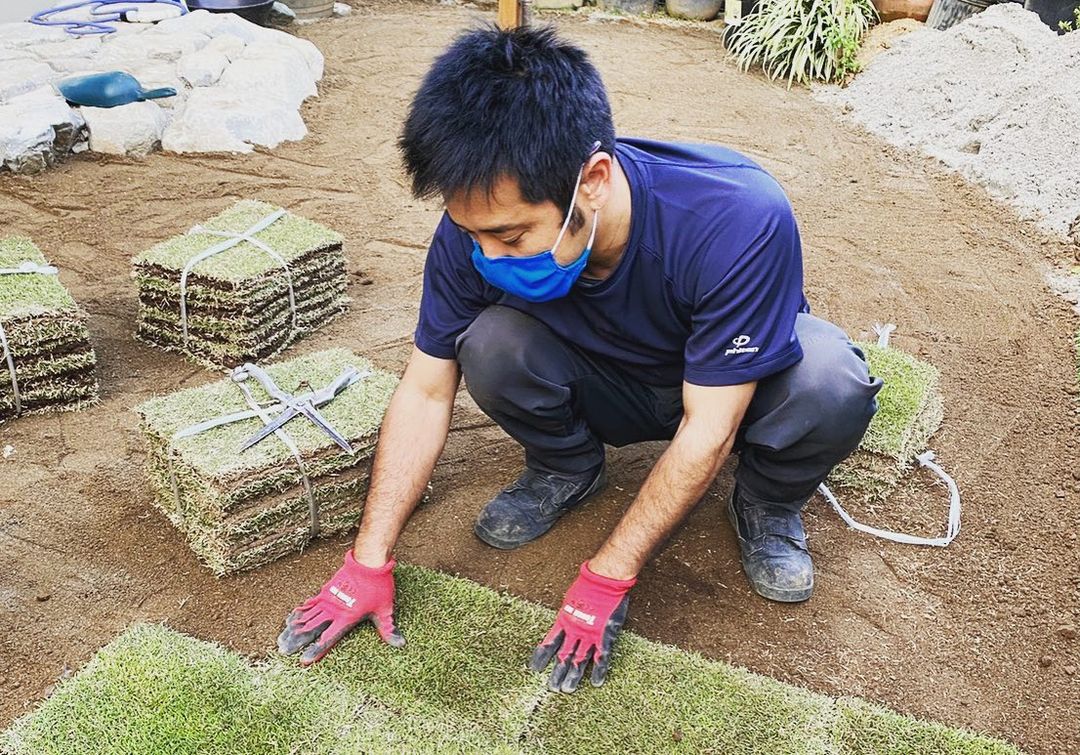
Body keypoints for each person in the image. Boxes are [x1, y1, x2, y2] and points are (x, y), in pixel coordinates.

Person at [278, 23, 882, 694]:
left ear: (591, 180)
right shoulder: (474, 229)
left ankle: (766, 502)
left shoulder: (738, 216)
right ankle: (567, 464)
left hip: (724, 388)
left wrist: (606, 574)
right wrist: (367, 558)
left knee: (831, 381)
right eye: (473, 233)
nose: (490, 257)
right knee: (488, 343)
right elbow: (424, 390)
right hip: (603, 382)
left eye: (510, 235)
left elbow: (709, 428)